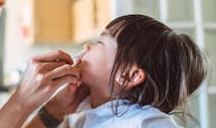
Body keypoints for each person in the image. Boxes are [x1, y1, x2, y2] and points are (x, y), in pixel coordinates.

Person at [40, 14, 208, 127]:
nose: (87, 46)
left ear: (129, 75)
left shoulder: (146, 121)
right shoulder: (83, 118)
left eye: (101, 42)